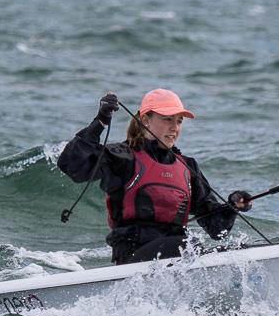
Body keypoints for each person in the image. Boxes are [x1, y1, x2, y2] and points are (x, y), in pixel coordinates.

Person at [58, 89, 252, 265]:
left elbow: (217, 229)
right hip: (133, 257)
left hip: (177, 256)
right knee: (188, 245)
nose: (174, 127)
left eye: (179, 121)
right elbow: (71, 165)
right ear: (145, 120)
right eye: (167, 119)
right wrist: (100, 122)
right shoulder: (122, 157)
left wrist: (233, 206)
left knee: (234, 250)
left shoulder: (187, 167)